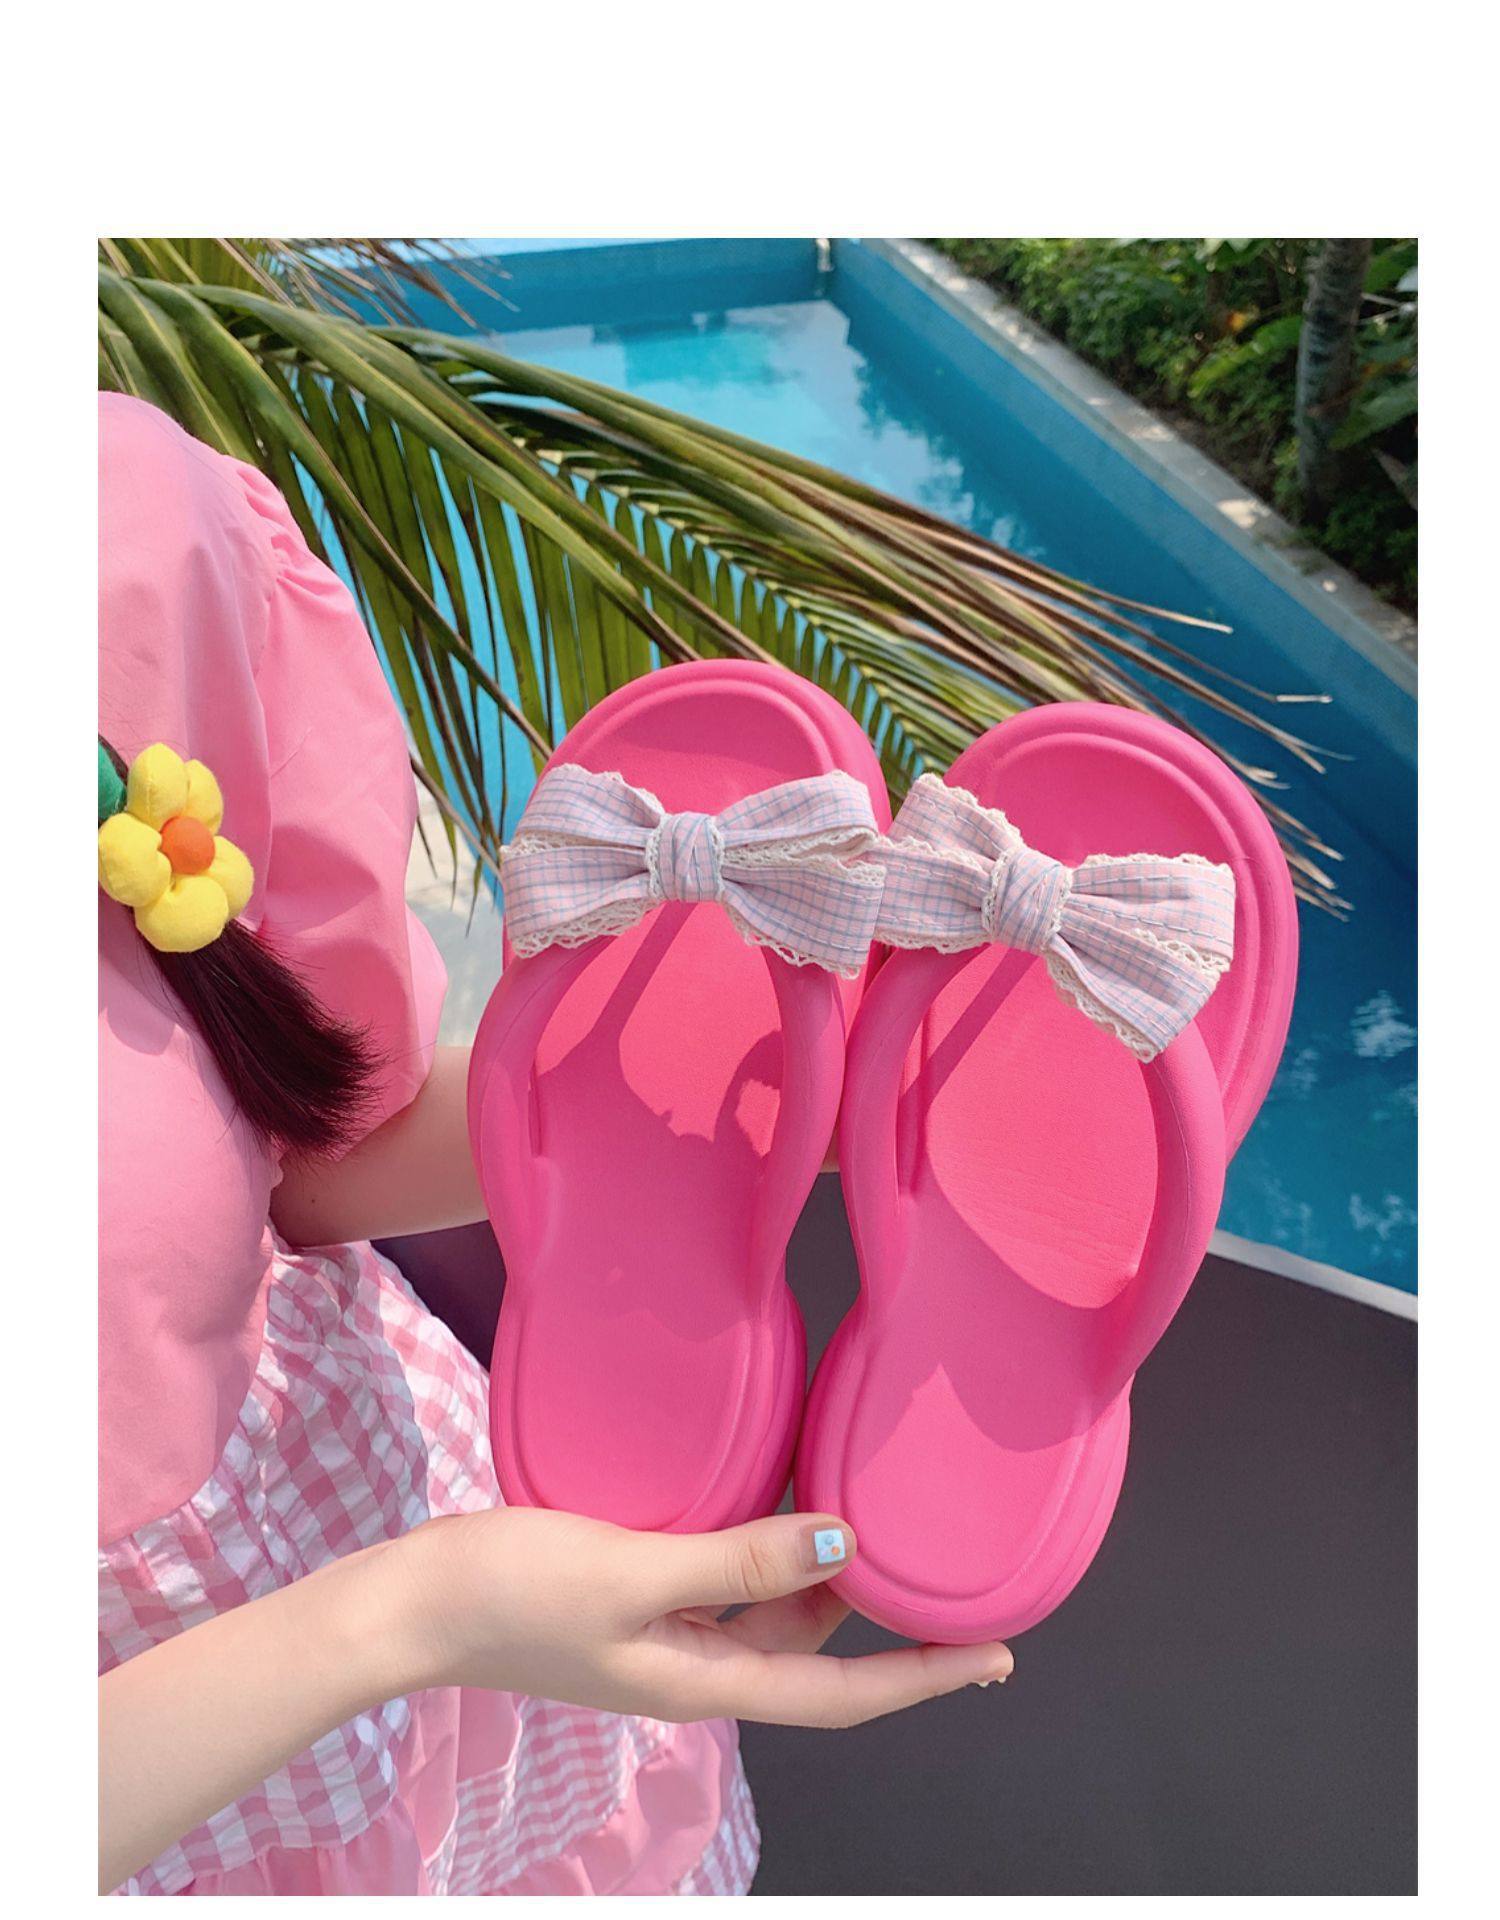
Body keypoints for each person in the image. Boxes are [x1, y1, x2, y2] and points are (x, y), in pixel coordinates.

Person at [97, 394, 1013, 1898]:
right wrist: (416, 1618)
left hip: (476, 1641)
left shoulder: (121, 530)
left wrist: (766, 1119)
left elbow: (276, 1159)